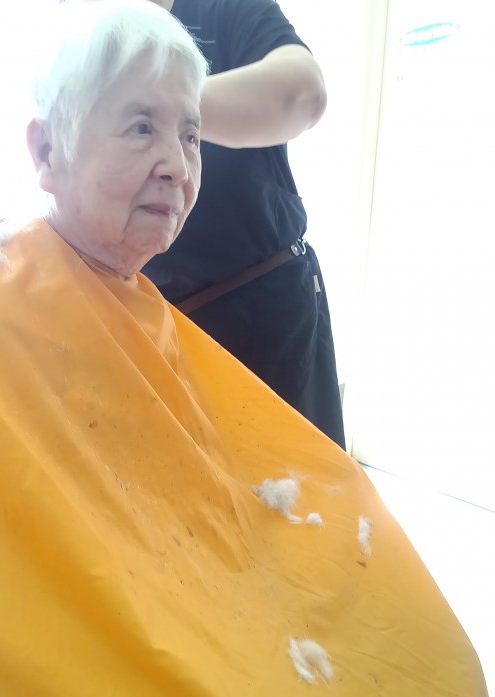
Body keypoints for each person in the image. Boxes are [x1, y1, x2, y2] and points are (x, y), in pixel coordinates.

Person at [0, 1, 495, 697]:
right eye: (141, 129)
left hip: (194, 600)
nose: (177, 164)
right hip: (88, 660)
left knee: (434, 657)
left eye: (191, 134)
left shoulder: (134, 306)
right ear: (46, 150)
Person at [143, 0, 346, 449]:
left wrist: (157, 110)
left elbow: (304, 91)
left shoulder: (224, 8)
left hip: (266, 315)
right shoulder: (84, 28)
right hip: (149, 331)